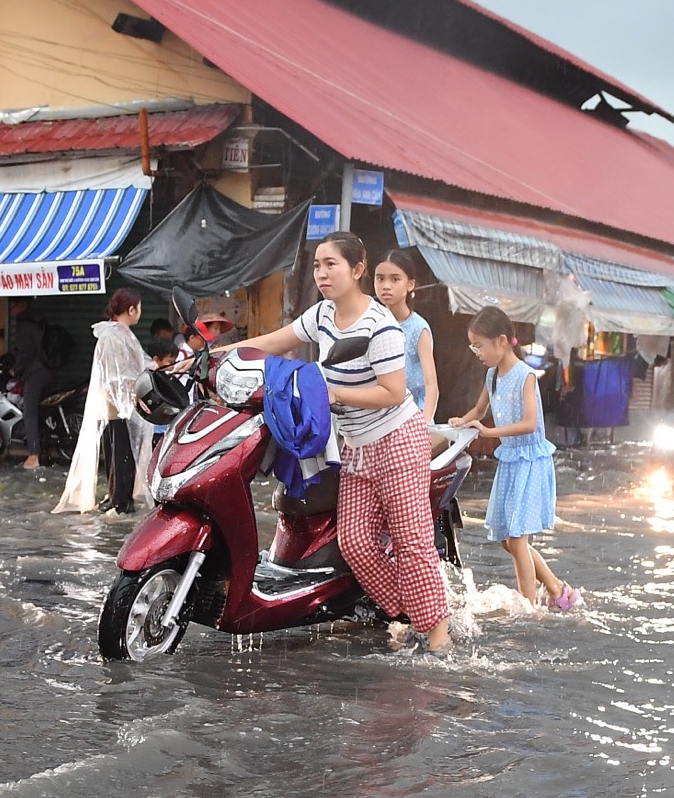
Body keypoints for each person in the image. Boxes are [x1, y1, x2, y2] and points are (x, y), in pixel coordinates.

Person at [216, 232, 453, 653]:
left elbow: (394, 392)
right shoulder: (323, 314)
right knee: (356, 543)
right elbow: (278, 341)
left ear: (357, 270)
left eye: (332, 265)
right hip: (356, 446)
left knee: (411, 540)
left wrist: (335, 394)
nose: (322, 273)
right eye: (317, 265)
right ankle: (409, 612)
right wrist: (223, 354)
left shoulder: (380, 326)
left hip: (397, 440)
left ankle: (438, 635)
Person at [455, 305, 580, 611]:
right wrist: (460, 423)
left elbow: (530, 423)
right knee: (506, 539)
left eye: (479, 345)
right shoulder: (491, 376)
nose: (476, 352)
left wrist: (488, 432)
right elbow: (479, 411)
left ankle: (529, 608)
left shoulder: (525, 376)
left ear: (500, 341)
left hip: (529, 462)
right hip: (510, 461)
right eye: (473, 346)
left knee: (518, 539)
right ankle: (556, 589)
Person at [57, 289, 151, 514]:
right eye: (139, 308)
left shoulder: (121, 332)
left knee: (122, 453)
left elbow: (136, 363)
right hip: (116, 406)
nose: (140, 313)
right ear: (131, 309)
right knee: (120, 455)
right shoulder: (112, 335)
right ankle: (120, 501)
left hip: (122, 405)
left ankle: (120, 497)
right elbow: (115, 373)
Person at [372, 246, 439, 424]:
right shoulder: (372, 323)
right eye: (380, 279)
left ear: (410, 284)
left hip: (412, 416)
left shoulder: (418, 328)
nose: (386, 286)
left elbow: (431, 384)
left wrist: (424, 424)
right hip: (377, 417)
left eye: (395, 279)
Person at [13, 305, 53, 469]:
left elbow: (25, 353)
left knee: (29, 413)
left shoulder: (24, 326)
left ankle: (33, 456)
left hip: (35, 373)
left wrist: (16, 371)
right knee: (39, 411)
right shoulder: (37, 322)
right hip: (47, 371)